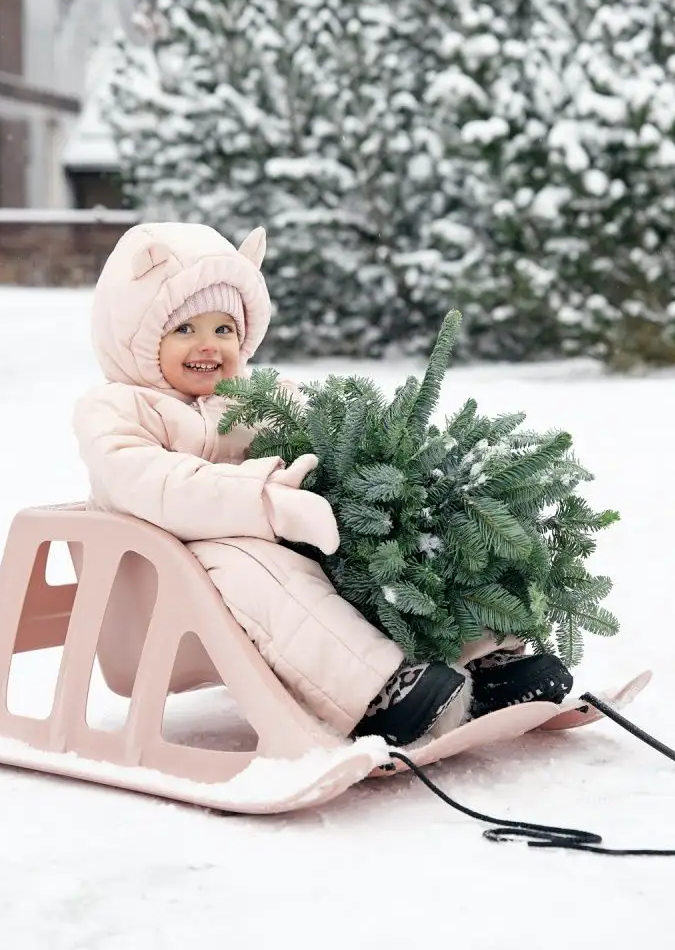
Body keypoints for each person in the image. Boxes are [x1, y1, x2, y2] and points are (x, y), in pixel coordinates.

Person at [73, 222, 572, 747]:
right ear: (136, 333)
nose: (209, 346)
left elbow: (319, 424)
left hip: (252, 551)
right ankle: (378, 694)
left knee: (381, 532)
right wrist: (263, 499)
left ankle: (481, 656)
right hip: (155, 587)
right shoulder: (114, 408)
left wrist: (371, 458)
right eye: (184, 329)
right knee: (263, 563)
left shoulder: (257, 395)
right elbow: (154, 484)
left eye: (224, 330)